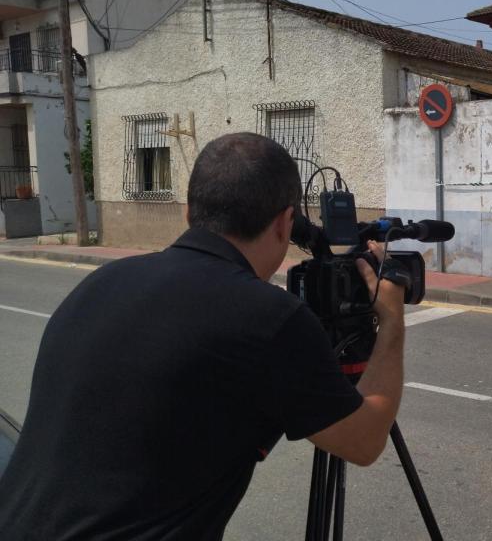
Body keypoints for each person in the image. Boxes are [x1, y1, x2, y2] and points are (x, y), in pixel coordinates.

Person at [0, 133, 406, 540]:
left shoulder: (101, 282)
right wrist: (390, 321)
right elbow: (365, 439)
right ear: (285, 224)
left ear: (189, 212)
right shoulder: (268, 318)